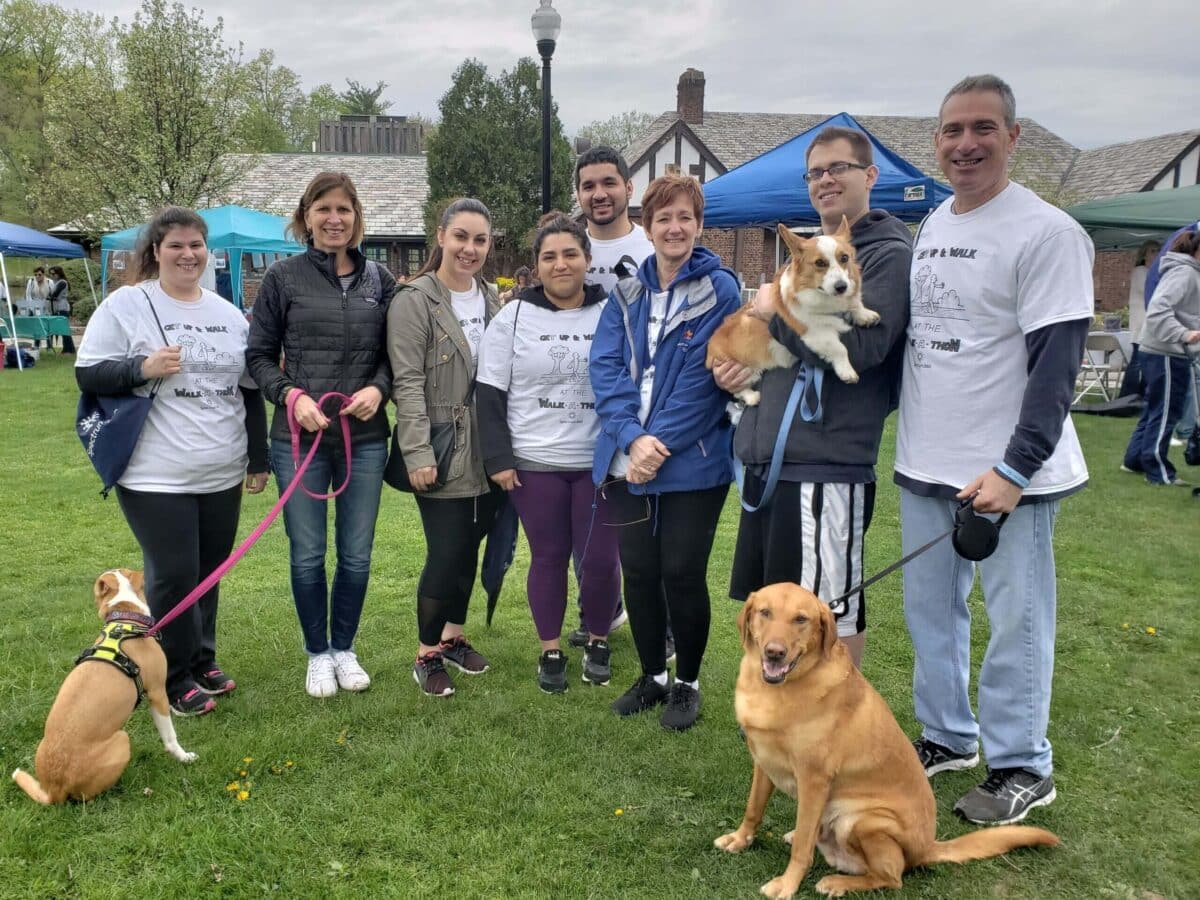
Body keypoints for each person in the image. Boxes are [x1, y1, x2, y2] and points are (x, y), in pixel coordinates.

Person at [895, 75, 1093, 825]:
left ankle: (1022, 762)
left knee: (1018, 620)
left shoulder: (1046, 232)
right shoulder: (937, 223)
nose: (965, 144)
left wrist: (1015, 469)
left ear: (1014, 136)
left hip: (1009, 475)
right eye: (951, 131)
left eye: (982, 128)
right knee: (931, 614)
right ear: (937, 142)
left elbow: (1056, 371)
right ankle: (948, 736)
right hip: (926, 462)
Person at [714, 126, 912, 669]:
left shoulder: (884, 252)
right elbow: (777, 337)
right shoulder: (808, 250)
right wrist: (739, 372)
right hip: (776, 457)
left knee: (827, 611)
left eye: (838, 168)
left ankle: (831, 729)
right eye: (816, 172)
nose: (825, 180)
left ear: (869, 175)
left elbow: (867, 346)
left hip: (825, 460)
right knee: (779, 607)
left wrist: (770, 313)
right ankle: (786, 722)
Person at [75, 206, 269, 716]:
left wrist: (258, 457)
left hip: (221, 468)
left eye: (196, 245)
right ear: (156, 251)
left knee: (208, 572)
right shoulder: (128, 305)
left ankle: (202, 657)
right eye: (176, 245)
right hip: (155, 472)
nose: (188, 254)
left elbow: (247, 392)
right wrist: (143, 367)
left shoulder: (229, 315)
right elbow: (89, 374)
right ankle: (173, 674)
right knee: (173, 573)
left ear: (209, 252)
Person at [590, 173, 741, 731]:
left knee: (680, 572)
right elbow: (604, 367)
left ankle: (689, 682)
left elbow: (704, 380)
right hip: (627, 456)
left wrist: (658, 444)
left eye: (685, 218)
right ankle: (653, 674)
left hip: (693, 460)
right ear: (648, 227)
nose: (675, 228)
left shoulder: (720, 289)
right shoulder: (626, 291)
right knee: (639, 569)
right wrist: (631, 436)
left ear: (699, 226)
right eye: (664, 218)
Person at [248, 172, 395, 699]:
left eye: (345, 209)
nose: (335, 219)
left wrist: (379, 389)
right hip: (298, 440)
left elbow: (395, 356)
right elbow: (258, 357)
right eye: (324, 209)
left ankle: (345, 647)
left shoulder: (381, 280)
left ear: (357, 218)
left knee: (356, 553)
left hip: (366, 438)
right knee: (307, 553)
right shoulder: (282, 279)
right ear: (306, 216)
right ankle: (317, 654)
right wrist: (292, 396)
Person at [477, 213, 621, 694]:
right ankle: (551, 649)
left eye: (570, 254)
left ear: (586, 259)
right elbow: (490, 392)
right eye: (549, 256)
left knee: (600, 559)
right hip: (535, 463)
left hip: (600, 463)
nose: (561, 265)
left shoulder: (613, 311)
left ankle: (599, 639)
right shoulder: (513, 316)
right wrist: (498, 459)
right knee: (549, 557)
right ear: (536, 266)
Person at [387, 198, 504, 698]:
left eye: (479, 240)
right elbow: (408, 382)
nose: (469, 249)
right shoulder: (415, 300)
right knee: (447, 551)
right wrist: (417, 452)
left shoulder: (495, 302)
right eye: (461, 236)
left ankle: (454, 637)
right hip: (441, 445)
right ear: (441, 237)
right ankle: (426, 651)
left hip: (490, 450)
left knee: (472, 546)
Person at [569, 145, 657, 650]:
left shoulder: (650, 249)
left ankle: (657, 621)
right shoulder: (568, 247)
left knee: (641, 518)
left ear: (628, 187)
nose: (599, 194)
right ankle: (604, 606)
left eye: (608, 183)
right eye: (588, 186)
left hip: (637, 407)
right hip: (575, 404)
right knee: (585, 517)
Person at [1122, 228, 1200, 485]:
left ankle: (1135, 459)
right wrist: (1184, 334)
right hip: (1166, 351)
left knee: (1156, 409)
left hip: (1162, 351)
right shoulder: (1185, 273)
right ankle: (1158, 471)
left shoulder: (1185, 272)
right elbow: (1158, 311)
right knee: (1167, 412)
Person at [1118, 240, 1160, 398]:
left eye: (1158, 250)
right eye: (1152, 251)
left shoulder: (1154, 272)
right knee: (1137, 362)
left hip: (1150, 324)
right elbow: (1149, 290)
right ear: (1144, 254)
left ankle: (1142, 395)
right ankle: (1127, 396)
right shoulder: (1140, 271)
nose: (1156, 253)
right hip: (1140, 323)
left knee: (1147, 362)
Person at [47, 266, 76, 353]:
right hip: (57, 307)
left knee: (64, 330)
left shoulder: (62, 282)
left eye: (53, 274)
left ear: (59, 273)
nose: (52, 276)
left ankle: (69, 350)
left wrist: (50, 297)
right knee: (62, 329)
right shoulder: (57, 283)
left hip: (62, 308)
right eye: (50, 274)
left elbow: (54, 295)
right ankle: (66, 349)